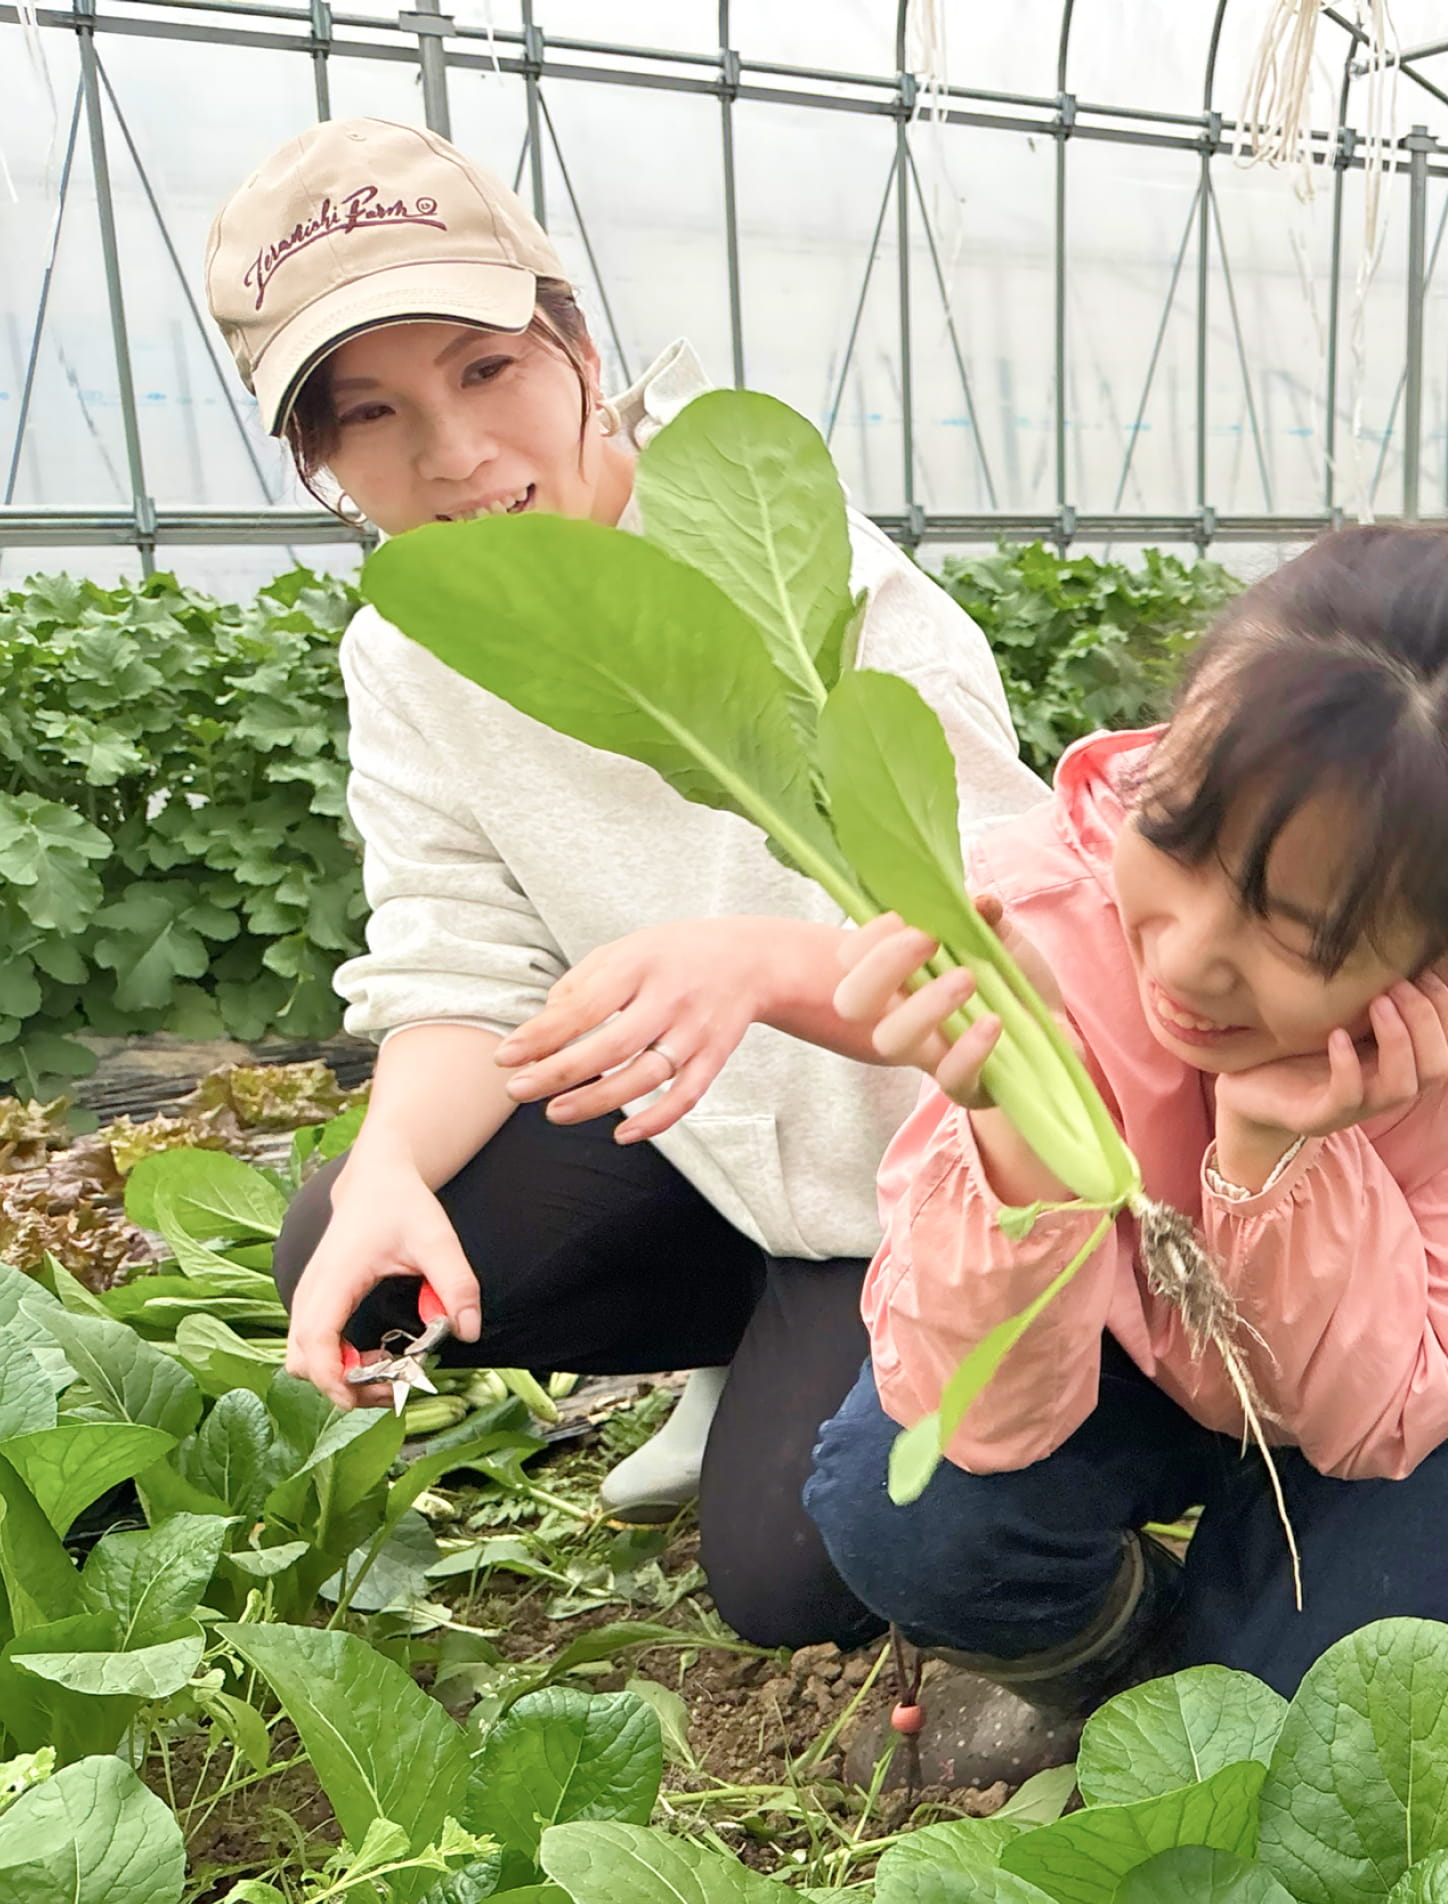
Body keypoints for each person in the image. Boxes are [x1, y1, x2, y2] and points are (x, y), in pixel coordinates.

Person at [203, 118, 1049, 1646]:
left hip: (915, 1166)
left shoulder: (792, 566)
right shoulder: (405, 649)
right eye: (371, 414)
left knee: (794, 1585)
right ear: (318, 456)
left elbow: (1012, 932)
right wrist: (391, 1166)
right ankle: (741, 1332)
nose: (455, 456)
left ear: (573, 335)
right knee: (355, 1232)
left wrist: (758, 963)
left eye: (485, 369)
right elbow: (461, 966)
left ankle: (808, 1343)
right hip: (710, 1149)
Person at [800, 521, 1448, 1782]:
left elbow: (1361, 1420)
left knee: (1321, 1712)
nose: (1181, 958)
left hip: (1400, 1387)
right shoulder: (1034, 910)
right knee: (906, 1507)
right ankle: (1127, 1679)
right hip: (1129, 1348)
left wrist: (1279, 1150)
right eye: (1174, 832)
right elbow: (974, 1409)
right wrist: (1020, 1138)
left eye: (1298, 935)